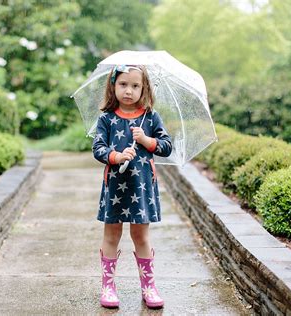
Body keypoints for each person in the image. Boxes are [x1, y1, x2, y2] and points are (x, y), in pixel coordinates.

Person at [92, 64, 172, 309]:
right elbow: (98, 149)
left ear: (144, 88)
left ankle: (148, 286)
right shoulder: (106, 119)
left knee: (141, 235)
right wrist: (116, 156)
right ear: (113, 87)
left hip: (141, 189)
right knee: (112, 233)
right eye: (123, 84)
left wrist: (146, 140)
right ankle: (108, 286)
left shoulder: (150, 117)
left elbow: (166, 146)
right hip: (116, 186)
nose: (129, 90)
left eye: (135, 86)